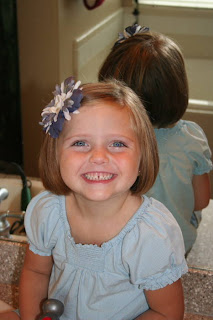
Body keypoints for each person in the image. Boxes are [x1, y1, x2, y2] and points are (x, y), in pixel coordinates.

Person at [1, 77, 188, 320]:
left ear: (143, 158)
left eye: (118, 144)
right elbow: (36, 272)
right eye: (80, 143)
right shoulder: (47, 212)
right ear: (55, 156)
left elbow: (167, 313)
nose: (99, 156)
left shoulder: (150, 236)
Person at [98, 24, 213, 254]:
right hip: (177, 245)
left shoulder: (107, 143)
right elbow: (201, 201)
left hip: (124, 250)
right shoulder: (192, 137)